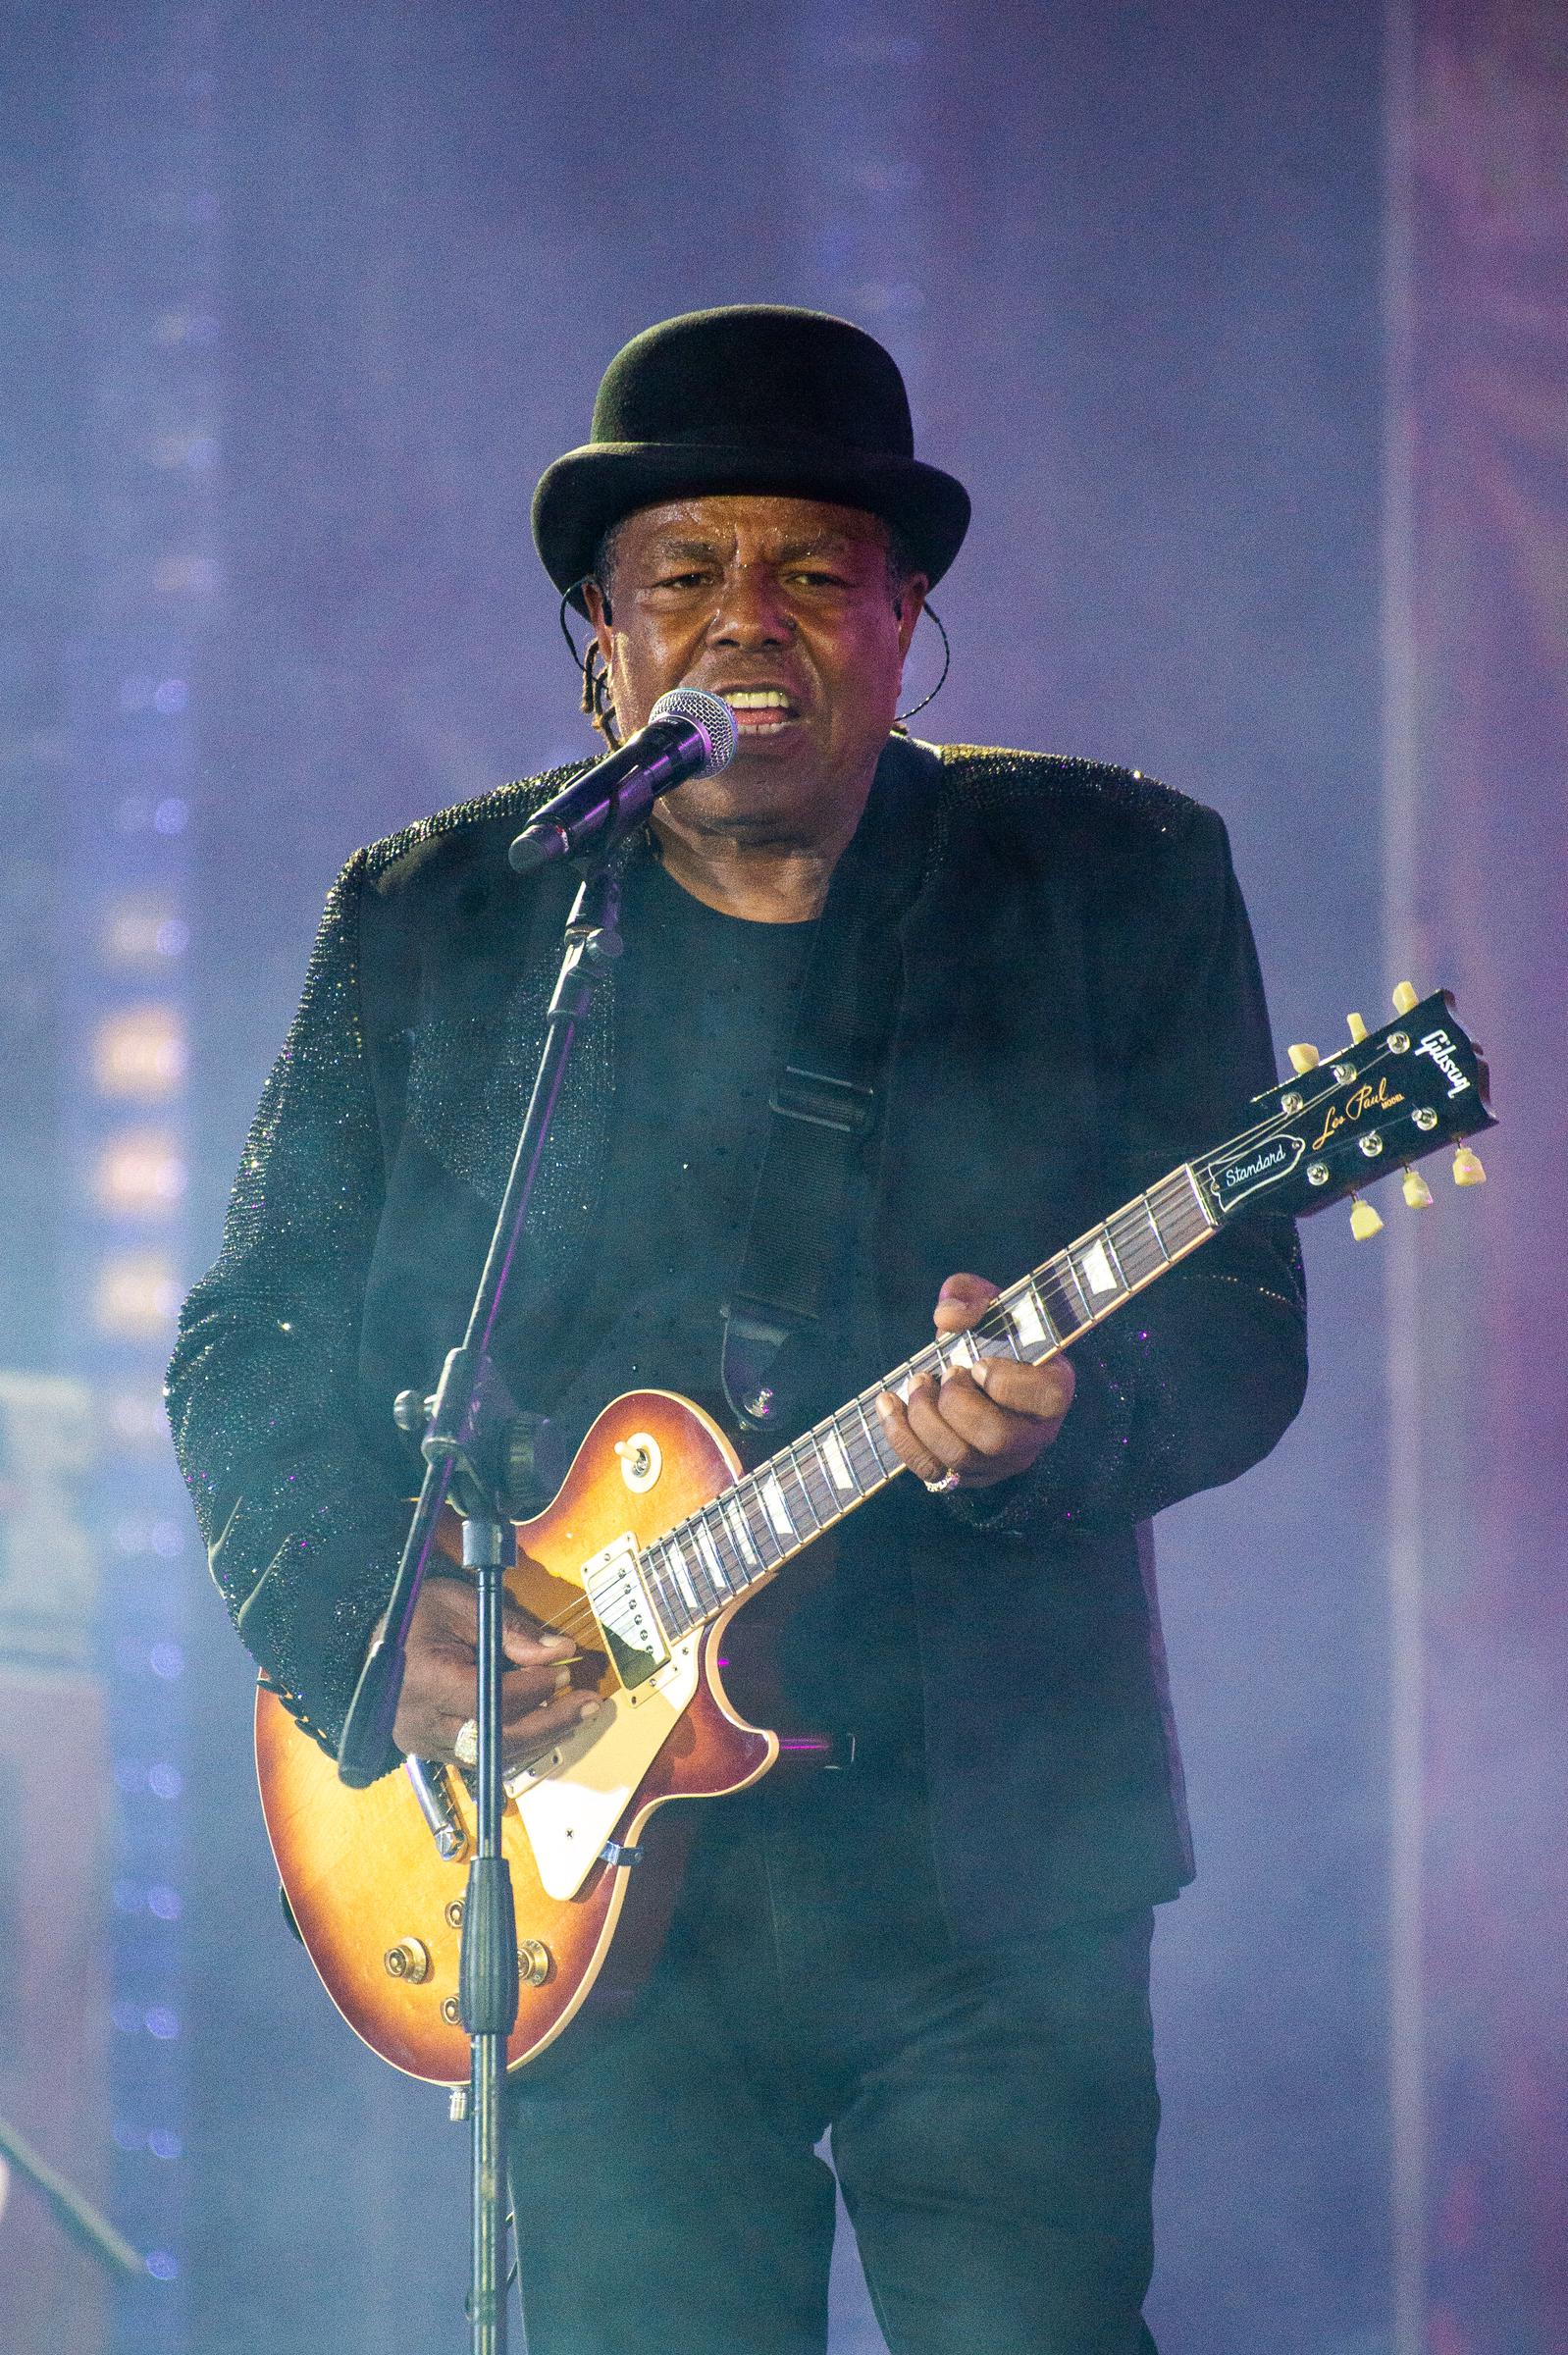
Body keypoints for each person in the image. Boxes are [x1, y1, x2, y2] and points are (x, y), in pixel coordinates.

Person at [168, 304, 1307, 2354]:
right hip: (585, 1889)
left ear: (902, 619)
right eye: (682, 576)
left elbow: (1239, 1317)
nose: (745, 623)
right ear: (601, 642)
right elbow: (254, 1339)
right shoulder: (450, 920)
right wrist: (367, 1615)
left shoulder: (1108, 874)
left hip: (991, 1870)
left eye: (812, 571)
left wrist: (1077, 1423)